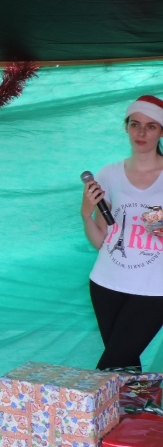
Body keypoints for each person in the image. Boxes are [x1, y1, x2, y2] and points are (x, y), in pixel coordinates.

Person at [82, 94, 163, 370]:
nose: (141, 133)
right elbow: (100, 241)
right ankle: (130, 402)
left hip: (155, 288)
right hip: (106, 283)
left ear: (161, 132)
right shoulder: (109, 173)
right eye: (135, 124)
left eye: (151, 126)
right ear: (126, 127)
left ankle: (84, 398)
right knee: (125, 368)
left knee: (111, 367)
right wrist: (85, 213)